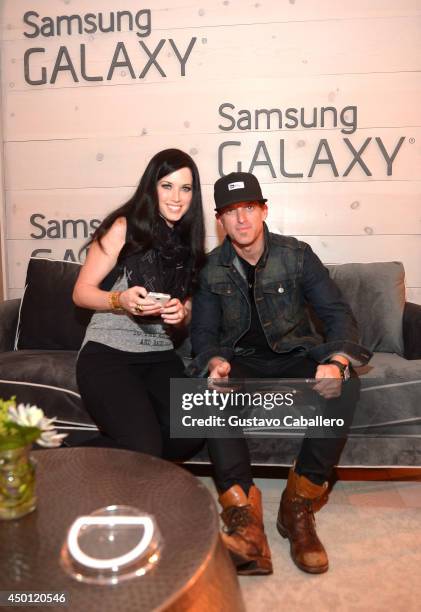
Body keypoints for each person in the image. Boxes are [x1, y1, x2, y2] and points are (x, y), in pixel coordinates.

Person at [188, 171, 371, 575]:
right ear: (220, 220)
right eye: (231, 212)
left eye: (249, 208)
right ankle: (245, 523)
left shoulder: (297, 254)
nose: (241, 219)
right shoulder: (211, 269)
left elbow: (337, 314)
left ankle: (298, 506)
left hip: (295, 355)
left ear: (264, 210)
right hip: (242, 361)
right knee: (207, 392)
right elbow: (202, 331)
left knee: (346, 384)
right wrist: (214, 362)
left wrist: (337, 361)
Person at [73, 148, 205, 461]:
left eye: (185, 188)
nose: (176, 197)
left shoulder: (188, 244)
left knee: (192, 433)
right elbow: (80, 293)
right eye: (167, 186)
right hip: (108, 354)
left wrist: (181, 313)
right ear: (151, 187)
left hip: (159, 354)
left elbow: (187, 307)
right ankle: (59, 459)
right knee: (146, 448)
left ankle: (109, 453)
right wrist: (120, 299)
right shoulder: (123, 228)